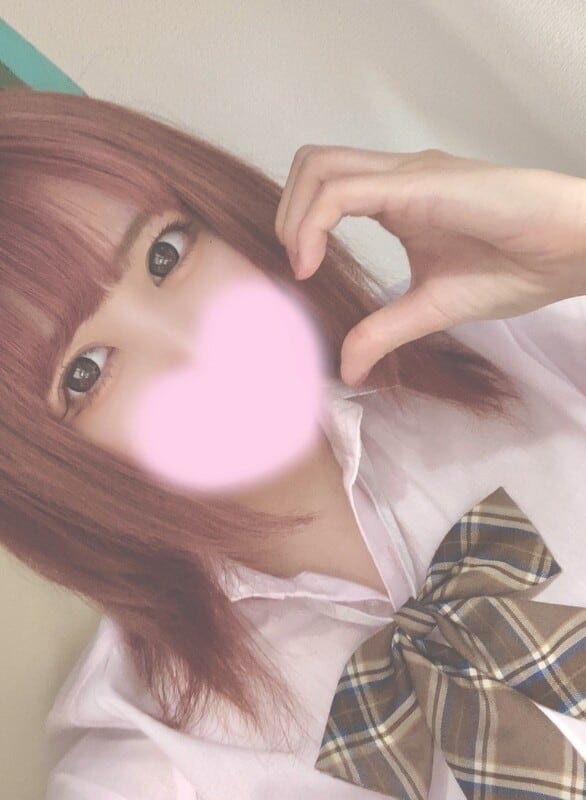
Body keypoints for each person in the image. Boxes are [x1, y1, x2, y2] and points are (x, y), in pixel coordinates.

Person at [0, 89, 584, 799]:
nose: (195, 345)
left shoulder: (514, 340)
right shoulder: (152, 751)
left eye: (165, 254)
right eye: (84, 373)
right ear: (44, 476)